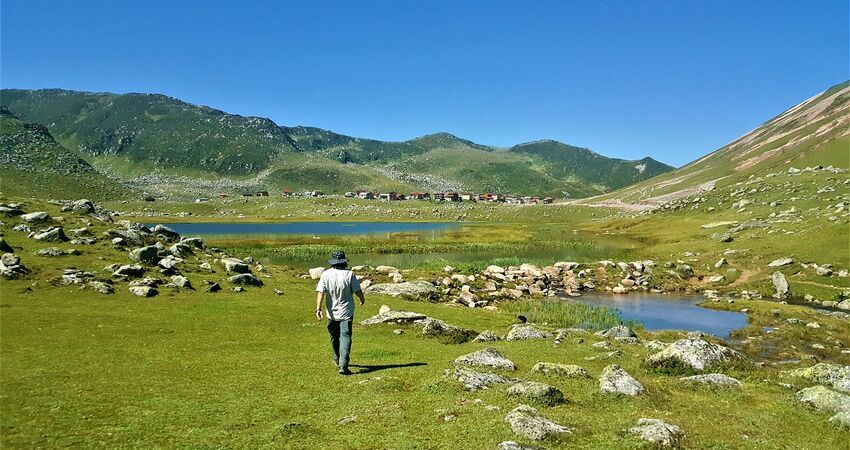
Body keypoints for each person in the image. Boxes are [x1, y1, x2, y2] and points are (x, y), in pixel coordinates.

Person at [315, 250, 365, 375]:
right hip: (346, 312)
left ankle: (337, 357)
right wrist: (362, 299)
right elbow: (358, 290)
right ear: (344, 262)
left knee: (334, 336)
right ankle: (343, 365)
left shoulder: (326, 274)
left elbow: (320, 292)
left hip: (331, 312)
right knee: (346, 336)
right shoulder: (349, 274)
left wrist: (318, 309)